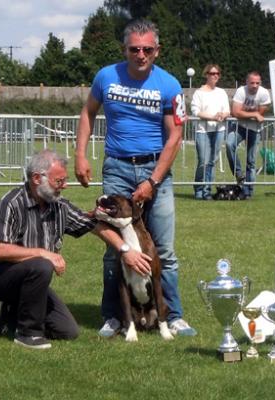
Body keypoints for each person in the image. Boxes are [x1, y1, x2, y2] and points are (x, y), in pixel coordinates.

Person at [75, 19, 196, 338]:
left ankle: (173, 315)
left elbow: (175, 136)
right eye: (134, 49)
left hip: (155, 171)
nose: (140, 54)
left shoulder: (170, 85)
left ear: (157, 50)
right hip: (116, 168)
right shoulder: (106, 76)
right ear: (124, 49)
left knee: (164, 250)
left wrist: (153, 181)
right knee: (113, 248)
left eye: (147, 49)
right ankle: (113, 317)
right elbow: (88, 113)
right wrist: (80, 155)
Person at [0, 149, 152, 350]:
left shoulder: (59, 206)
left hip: (33, 279)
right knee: (42, 264)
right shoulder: (9, 203)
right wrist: (45, 253)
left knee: (68, 331)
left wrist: (125, 250)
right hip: (0, 276)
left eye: (65, 180)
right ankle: (28, 334)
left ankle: (12, 311)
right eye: (59, 181)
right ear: (37, 179)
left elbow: (95, 226)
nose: (65, 186)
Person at [226, 71, 271, 198]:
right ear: (247, 82)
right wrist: (254, 113)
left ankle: (248, 191)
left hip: (254, 130)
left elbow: (260, 113)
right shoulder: (241, 91)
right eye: (252, 83)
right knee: (229, 145)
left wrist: (247, 112)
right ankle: (239, 174)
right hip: (239, 127)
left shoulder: (264, 93)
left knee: (251, 161)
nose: (255, 85)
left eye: (257, 83)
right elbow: (235, 112)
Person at [190, 64, 230, 200]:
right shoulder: (198, 93)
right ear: (206, 74)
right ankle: (198, 188)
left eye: (217, 73)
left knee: (212, 161)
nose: (215, 76)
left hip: (219, 130)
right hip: (203, 131)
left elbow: (227, 110)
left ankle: (207, 191)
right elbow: (196, 111)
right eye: (212, 73)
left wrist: (223, 115)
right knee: (203, 161)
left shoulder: (222, 92)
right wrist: (212, 117)